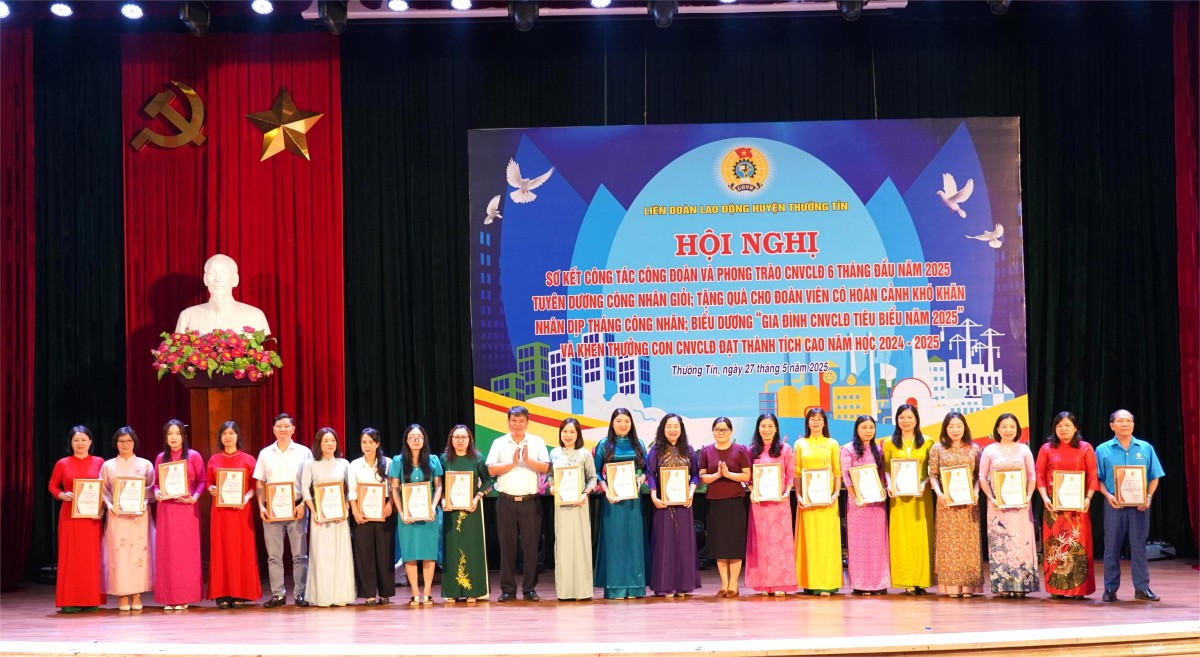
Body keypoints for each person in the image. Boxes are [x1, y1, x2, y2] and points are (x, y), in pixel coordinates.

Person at [1095, 409, 1165, 602]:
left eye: (1128, 421)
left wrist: (1148, 497)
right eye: (1120, 421)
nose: (1125, 424)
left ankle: (1142, 588)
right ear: (1112, 425)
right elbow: (1097, 479)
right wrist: (1108, 495)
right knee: (1111, 547)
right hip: (1114, 504)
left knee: (1139, 547)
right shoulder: (1102, 449)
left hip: (1140, 507)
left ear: (1133, 424)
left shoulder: (1145, 448)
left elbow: (1155, 476)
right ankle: (1110, 589)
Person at [485, 406, 550, 602]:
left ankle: (529, 589)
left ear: (527, 422)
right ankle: (508, 590)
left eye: (521, 421)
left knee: (531, 547)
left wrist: (527, 460)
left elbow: (545, 467)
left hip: (530, 502)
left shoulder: (537, 441)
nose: (517, 424)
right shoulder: (499, 442)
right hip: (506, 501)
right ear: (508, 422)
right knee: (507, 547)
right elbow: (491, 470)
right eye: (514, 420)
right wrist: (512, 463)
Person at [1035, 412, 1099, 599]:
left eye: (1067, 425)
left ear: (1075, 428)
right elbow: (1039, 475)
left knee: (1078, 546)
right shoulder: (1046, 449)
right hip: (1054, 507)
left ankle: (1079, 589)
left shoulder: (1085, 448)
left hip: (1079, 507)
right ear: (1054, 429)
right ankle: (1057, 589)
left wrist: (1088, 498)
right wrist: (1045, 498)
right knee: (1055, 546)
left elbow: (1093, 475)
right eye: (1059, 426)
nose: (1063, 429)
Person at [253, 413, 313, 608]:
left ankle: (300, 593)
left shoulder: (304, 452)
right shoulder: (265, 453)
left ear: (293, 429)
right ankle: (278, 595)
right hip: (272, 510)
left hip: (297, 508)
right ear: (273, 429)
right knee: (274, 556)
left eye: (287, 426)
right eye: (279, 426)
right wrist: (261, 506)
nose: (283, 429)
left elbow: (310, 482)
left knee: (300, 555)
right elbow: (260, 483)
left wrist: (304, 505)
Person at [979, 413, 1039, 598]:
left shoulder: (1024, 450)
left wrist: (1028, 496)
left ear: (1017, 429)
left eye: (1012, 426)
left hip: (1021, 507)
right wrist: (991, 497)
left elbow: (1032, 476)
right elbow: (982, 477)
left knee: (1021, 543)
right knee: (1001, 543)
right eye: (1004, 426)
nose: (1008, 430)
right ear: (997, 429)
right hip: (998, 507)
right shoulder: (990, 450)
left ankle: (1022, 585)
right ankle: (1003, 585)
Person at [47, 425, 105, 612]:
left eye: (83, 440)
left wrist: (102, 508)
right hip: (69, 516)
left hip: (92, 517)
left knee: (91, 558)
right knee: (70, 557)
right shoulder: (62, 463)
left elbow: (105, 489)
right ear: (70, 443)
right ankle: (69, 601)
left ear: (90, 442)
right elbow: (52, 485)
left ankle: (91, 600)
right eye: (76, 440)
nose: (80, 443)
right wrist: (62, 495)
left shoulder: (99, 462)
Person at [594, 408, 649, 600]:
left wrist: (640, 479)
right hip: (613, 500)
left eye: (627, 421)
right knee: (615, 542)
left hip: (633, 501)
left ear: (631, 423)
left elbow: (644, 469)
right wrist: (606, 490)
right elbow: (596, 472)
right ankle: (615, 588)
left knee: (634, 541)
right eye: (619, 421)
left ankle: (635, 587)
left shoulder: (638, 443)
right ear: (612, 423)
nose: (623, 424)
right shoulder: (604, 444)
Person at [151, 420, 206, 610]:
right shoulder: (161, 458)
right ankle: (169, 597)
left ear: (183, 436)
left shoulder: (194, 456)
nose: (173, 437)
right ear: (165, 437)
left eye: (177, 433)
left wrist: (194, 497)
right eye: (169, 434)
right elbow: (156, 483)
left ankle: (185, 596)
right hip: (166, 510)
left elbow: (202, 480)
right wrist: (157, 491)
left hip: (186, 509)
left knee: (185, 553)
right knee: (167, 553)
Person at [205, 421, 260, 609]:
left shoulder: (249, 460)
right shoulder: (214, 460)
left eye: (231, 433)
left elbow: (254, 487)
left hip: (241, 510)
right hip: (220, 512)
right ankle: (221, 593)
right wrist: (211, 488)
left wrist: (246, 497)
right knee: (221, 549)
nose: (228, 437)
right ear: (220, 438)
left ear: (238, 436)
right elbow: (209, 483)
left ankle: (240, 592)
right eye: (224, 434)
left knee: (241, 550)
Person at [927, 412, 982, 598]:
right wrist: (939, 493)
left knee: (969, 545)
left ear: (965, 427)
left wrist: (976, 492)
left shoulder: (974, 449)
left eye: (959, 426)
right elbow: (933, 475)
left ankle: (968, 587)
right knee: (949, 545)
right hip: (946, 504)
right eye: (951, 426)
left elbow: (979, 476)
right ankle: (951, 587)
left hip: (969, 505)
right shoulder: (937, 448)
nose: (955, 430)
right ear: (945, 429)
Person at [645, 413, 700, 597]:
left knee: (684, 543)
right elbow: (650, 474)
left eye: (676, 426)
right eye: (669, 426)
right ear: (663, 429)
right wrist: (654, 495)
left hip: (684, 503)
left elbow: (695, 474)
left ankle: (683, 585)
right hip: (663, 502)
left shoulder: (688, 449)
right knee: (665, 543)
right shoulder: (656, 450)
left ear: (681, 429)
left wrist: (691, 492)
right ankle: (665, 586)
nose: (672, 430)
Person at [100, 426, 155, 611]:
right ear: (116, 443)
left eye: (129, 441)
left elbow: (151, 489)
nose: (125, 444)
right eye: (121, 441)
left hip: (139, 516)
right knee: (119, 555)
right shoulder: (108, 466)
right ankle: (122, 595)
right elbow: (104, 491)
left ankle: (137, 594)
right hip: (117, 516)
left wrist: (143, 504)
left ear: (135, 443)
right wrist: (109, 506)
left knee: (139, 554)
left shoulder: (145, 465)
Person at [882, 404, 934, 595]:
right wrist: (889, 485)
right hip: (899, 498)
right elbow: (887, 469)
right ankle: (907, 581)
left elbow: (931, 470)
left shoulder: (928, 442)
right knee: (902, 539)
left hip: (921, 496)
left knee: (921, 538)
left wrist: (924, 484)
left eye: (910, 417)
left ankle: (922, 579)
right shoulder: (889, 443)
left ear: (917, 419)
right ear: (896, 420)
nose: (906, 421)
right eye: (902, 417)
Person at [390, 423, 444, 605]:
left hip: (428, 515)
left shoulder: (433, 460)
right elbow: (395, 488)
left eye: (419, 437)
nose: (416, 440)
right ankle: (415, 593)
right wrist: (401, 511)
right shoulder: (398, 461)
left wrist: (433, 507)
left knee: (429, 553)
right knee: (410, 553)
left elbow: (439, 486)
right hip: (407, 515)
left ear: (424, 439)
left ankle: (427, 593)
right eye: (412, 437)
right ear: (406, 440)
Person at [302, 428, 355, 607]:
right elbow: (305, 489)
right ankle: (322, 596)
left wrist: (346, 507)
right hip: (319, 517)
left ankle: (341, 596)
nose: (330, 444)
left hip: (340, 517)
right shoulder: (310, 464)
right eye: (326, 440)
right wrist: (314, 511)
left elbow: (351, 489)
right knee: (322, 555)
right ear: (319, 443)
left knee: (340, 554)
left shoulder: (344, 463)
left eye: (333, 440)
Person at [699, 416, 751, 597]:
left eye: (725, 429)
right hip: (715, 502)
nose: (721, 433)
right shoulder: (706, 451)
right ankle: (724, 584)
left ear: (731, 431)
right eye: (717, 429)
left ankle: (734, 585)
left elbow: (746, 476)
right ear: (713, 431)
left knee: (734, 545)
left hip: (735, 502)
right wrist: (716, 475)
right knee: (720, 545)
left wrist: (728, 474)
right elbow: (702, 477)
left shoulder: (740, 450)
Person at [745, 413, 797, 596]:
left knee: (780, 544)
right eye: (763, 426)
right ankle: (763, 584)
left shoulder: (785, 449)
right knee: (762, 544)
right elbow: (748, 477)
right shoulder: (751, 450)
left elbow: (790, 474)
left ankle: (780, 584)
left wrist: (786, 492)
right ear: (758, 428)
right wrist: (752, 490)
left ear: (776, 429)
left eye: (770, 426)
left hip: (779, 503)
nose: (766, 430)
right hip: (759, 504)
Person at [439, 424, 491, 603]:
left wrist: (477, 498)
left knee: (472, 548)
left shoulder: (477, 458)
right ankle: (452, 591)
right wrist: (443, 500)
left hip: (472, 510)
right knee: (452, 548)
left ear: (470, 440)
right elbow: (439, 484)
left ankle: (473, 591)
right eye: (456, 437)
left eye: (464, 437)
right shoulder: (444, 459)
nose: (460, 441)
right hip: (451, 511)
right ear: (451, 440)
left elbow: (487, 481)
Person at [793, 407, 842, 596]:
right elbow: (797, 473)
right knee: (810, 542)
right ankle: (810, 582)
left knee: (827, 542)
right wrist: (798, 496)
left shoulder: (832, 443)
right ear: (807, 422)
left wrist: (835, 494)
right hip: (807, 502)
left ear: (824, 423)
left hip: (827, 501)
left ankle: (828, 584)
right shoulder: (800, 444)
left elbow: (837, 472)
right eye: (812, 419)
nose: (816, 422)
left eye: (819, 419)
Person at [548, 418, 597, 601]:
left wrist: (585, 494)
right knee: (563, 547)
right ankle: (565, 591)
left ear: (578, 434)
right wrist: (552, 486)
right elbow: (550, 476)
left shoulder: (585, 454)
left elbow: (592, 478)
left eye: (572, 432)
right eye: (564, 431)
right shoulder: (554, 453)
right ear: (560, 433)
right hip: (561, 507)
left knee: (581, 545)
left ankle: (582, 591)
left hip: (579, 505)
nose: (568, 435)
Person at [840, 415, 890, 595]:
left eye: (871, 427)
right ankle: (860, 584)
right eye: (864, 427)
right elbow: (846, 476)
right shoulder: (848, 449)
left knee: (877, 544)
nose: (868, 431)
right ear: (857, 429)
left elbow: (882, 476)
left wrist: (883, 490)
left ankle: (878, 584)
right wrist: (856, 497)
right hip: (858, 504)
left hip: (876, 504)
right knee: (859, 544)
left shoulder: (878, 449)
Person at [348, 427, 396, 606]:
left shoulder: (388, 463)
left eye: (370, 442)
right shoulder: (354, 465)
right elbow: (352, 491)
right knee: (365, 553)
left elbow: (394, 488)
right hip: (362, 512)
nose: (367, 445)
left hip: (384, 511)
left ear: (377, 444)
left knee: (385, 552)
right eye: (364, 442)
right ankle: (368, 594)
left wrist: (391, 504)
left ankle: (385, 593)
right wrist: (355, 512)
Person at [175, 254, 271, 335]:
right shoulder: (188, 316)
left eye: (224, 273)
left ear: (235, 280)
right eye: (212, 273)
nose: (217, 279)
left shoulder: (255, 316)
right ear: (205, 279)